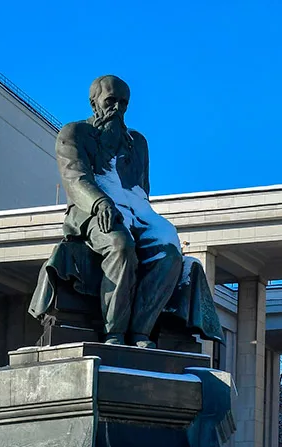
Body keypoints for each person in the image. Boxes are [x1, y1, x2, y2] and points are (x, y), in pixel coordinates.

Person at [54, 74, 187, 347]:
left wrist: (145, 217)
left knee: (170, 252)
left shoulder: (137, 143)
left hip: (137, 212)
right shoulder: (74, 133)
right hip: (93, 210)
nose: (117, 109)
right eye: (111, 101)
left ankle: (140, 332)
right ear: (94, 103)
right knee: (120, 244)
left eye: (124, 104)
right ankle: (114, 332)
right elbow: (75, 177)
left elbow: (142, 189)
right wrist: (100, 202)